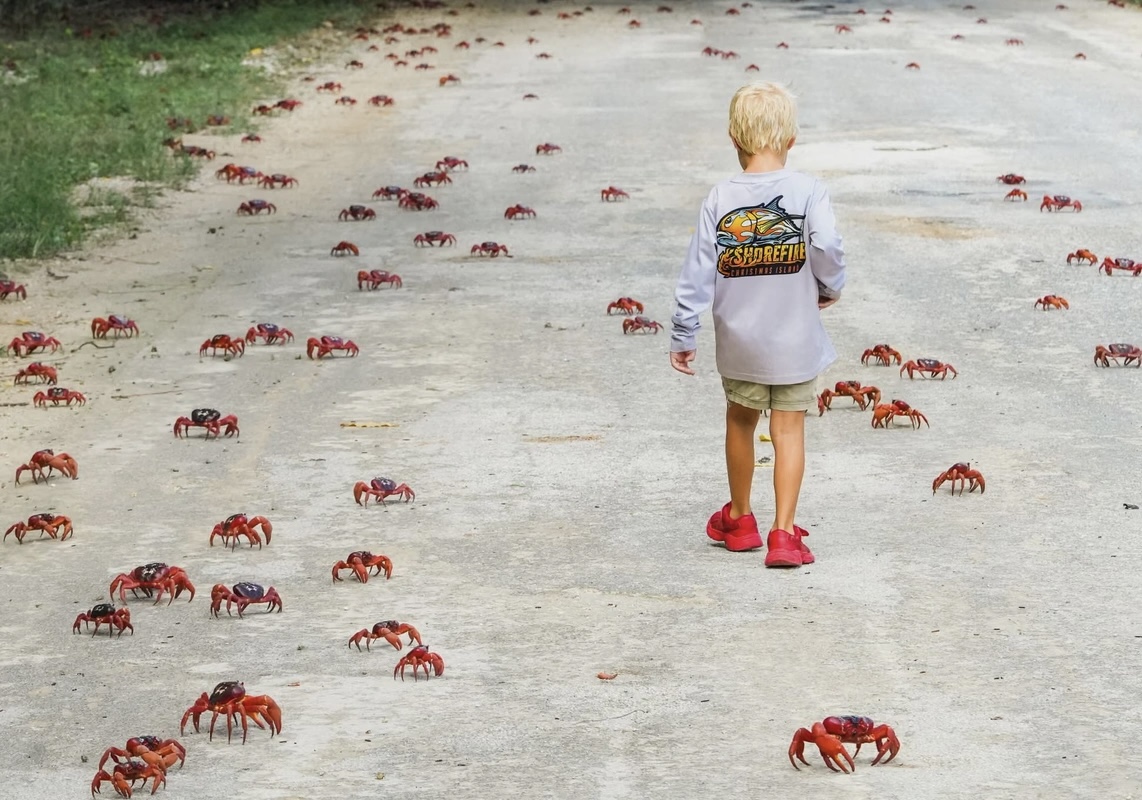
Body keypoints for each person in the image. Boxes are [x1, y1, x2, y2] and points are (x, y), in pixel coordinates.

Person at [669, 81, 846, 567]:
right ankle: (784, 534)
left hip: (740, 342)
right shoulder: (810, 191)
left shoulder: (720, 197)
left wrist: (685, 332)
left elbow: (697, 271)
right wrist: (829, 287)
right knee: (788, 430)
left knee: (741, 421)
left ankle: (741, 517)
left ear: (734, 139)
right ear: (791, 139)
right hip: (795, 342)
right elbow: (827, 248)